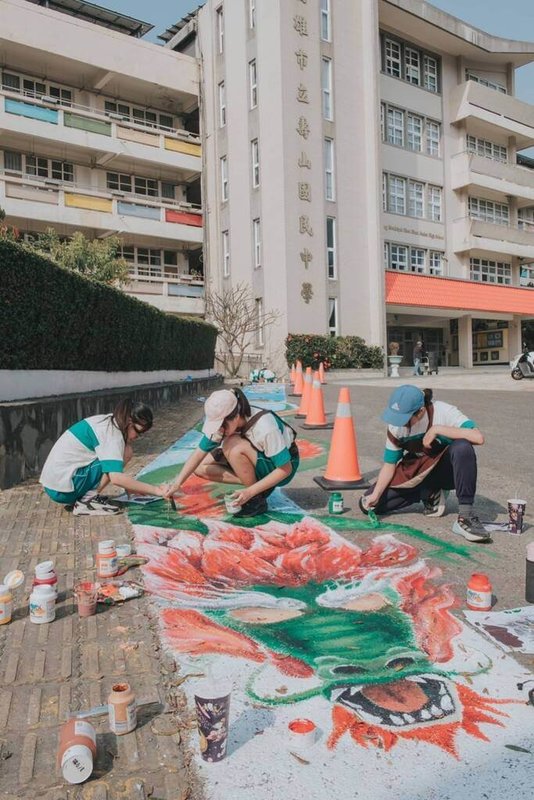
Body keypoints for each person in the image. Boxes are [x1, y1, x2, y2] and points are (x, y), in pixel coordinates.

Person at [358, 385, 489, 543]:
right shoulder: (396, 426)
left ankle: (465, 517)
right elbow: (389, 464)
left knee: (462, 447)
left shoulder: (444, 411)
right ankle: (430, 493)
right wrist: (376, 494)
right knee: (369, 505)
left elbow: (478, 437)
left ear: (420, 411)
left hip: (447, 471)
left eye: (405, 419)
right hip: (419, 471)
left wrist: (436, 429)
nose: (400, 423)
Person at [164, 388, 299, 517]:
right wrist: (177, 483)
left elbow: (285, 469)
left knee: (232, 445)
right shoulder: (224, 426)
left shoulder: (265, 427)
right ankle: (259, 485)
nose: (219, 430)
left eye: (221, 425)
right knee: (200, 467)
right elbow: (199, 453)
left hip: (282, 465)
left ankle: (256, 499)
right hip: (260, 457)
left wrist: (249, 492)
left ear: (234, 417)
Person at [40, 398, 168, 515]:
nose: (138, 437)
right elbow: (116, 478)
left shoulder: (107, 421)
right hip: (61, 490)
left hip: (56, 483)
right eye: (139, 432)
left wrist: (131, 486)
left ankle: (87, 496)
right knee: (123, 454)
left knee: (124, 452)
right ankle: (86, 501)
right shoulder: (112, 435)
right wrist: (157, 491)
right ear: (129, 422)